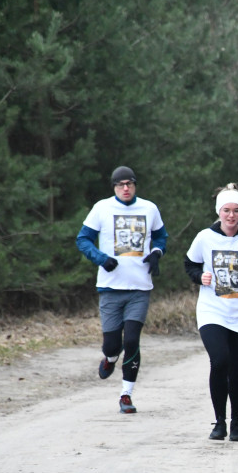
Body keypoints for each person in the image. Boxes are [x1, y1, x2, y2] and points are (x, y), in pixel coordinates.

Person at [184, 184, 238, 442]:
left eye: (236, 210)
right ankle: (219, 421)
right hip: (213, 310)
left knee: (236, 369)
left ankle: (237, 423)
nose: (231, 215)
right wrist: (199, 277)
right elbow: (189, 263)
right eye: (226, 210)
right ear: (219, 212)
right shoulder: (205, 237)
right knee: (219, 361)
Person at [75, 166, 168, 414]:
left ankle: (126, 395)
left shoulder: (149, 209)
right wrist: (101, 258)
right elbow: (82, 239)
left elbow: (161, 238)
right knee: (112, 344)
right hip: (110, 287)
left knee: (133, 340)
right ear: (114, 187)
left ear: (135, 185)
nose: (125, 188)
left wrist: (157, 253)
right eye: (120, 184)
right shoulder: (102, 208)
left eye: (129, 184)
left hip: (139, 287)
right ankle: (110, 359)